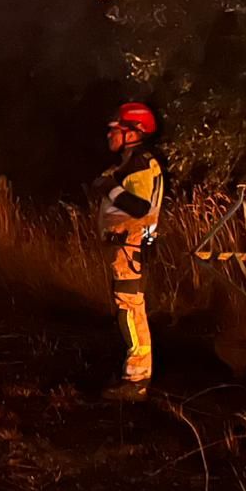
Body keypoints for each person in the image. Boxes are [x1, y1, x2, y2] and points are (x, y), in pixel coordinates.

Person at [93, 101, 164, 401]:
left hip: (128, 248)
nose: (110, 135)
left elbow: (140, 207)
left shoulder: (140, 164)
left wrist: (109, 187)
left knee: (130, 311)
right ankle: (133, 373)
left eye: (116, 130)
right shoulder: (131, 162)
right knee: (128, 309)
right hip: (125, 248)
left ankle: (136, 379)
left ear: (133, 133)